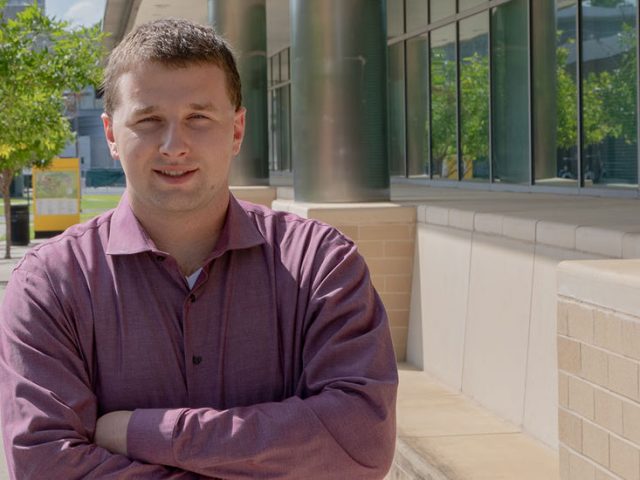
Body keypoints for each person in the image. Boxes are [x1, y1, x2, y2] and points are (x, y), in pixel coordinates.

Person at [0, 18, 398, 479]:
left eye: (199, 118)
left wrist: (142, 432)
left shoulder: (321, 264)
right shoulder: (49, 284)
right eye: (148, 120)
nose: (174, 146)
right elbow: (45, 464)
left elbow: (360, 443)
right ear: (111, 135)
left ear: (236, 129)